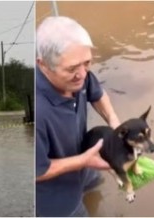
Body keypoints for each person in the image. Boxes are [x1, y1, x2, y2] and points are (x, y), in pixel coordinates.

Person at [35, 16, 121, 217]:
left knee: (94, 189)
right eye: (72, 69)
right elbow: (37, 171)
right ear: (43, 64)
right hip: (54, 197)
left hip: (86, 161)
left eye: (87, 63)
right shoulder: (38, 112)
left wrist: (114, 122)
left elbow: (97, 93)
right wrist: (83, 161)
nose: (82, 75)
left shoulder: (80, 74)